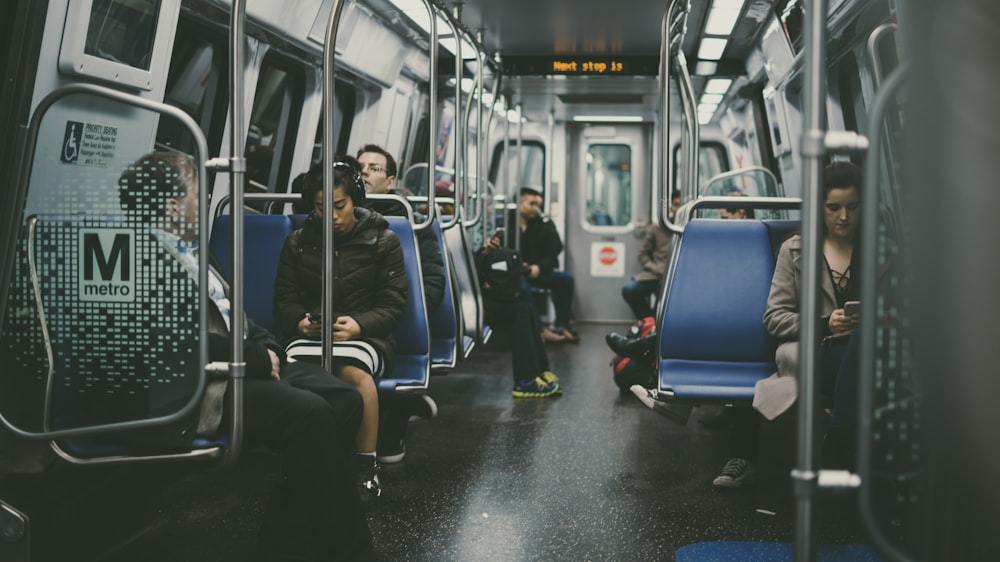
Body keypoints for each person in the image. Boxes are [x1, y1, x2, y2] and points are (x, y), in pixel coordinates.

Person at [117, 151, 374, 561]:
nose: (201, 204)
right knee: (309, 414)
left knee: (345, 399)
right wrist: (254, 358)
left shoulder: (193, 249)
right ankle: (351, 550)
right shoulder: (135, 257)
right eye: (196, 195)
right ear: (170, 206)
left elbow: (233, 313)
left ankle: (284, 531)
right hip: (200, 386)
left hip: (242, 363)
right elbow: (169, 339)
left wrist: (268, 347)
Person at [273, 161, 408, 502]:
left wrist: (359, 325)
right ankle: (303, 464)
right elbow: (285, 300)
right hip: (311, 333)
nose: (331, 216)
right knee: (290, 374)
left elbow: (393, 307)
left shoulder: (384, 241)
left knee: (351, 372)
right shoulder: (297, 243)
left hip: (368, 335)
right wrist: (299, 323)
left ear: (355, 202)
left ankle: (365, 466)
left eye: (340, 206)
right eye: (322, 208)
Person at [754, 160, 866, 468]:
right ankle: (843, 437)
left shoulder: (880, 251)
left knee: (866, 340)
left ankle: (839, 436)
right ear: (819, 207)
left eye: (852, 207)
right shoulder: (794, 251)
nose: (843, 217)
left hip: (868, 355)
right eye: (833, 207)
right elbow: (774, 317)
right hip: (817, 352)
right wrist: (824, 323)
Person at [355, 144, 444, 464]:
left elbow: (431, 283)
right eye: (359, 166)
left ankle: (397, 415)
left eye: (374, 168)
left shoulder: (413, 225)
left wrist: (409, 317)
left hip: (398, 316)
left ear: (390, 182)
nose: (364, 171)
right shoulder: (334, 218)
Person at [477, 229, 562, 398]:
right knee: (519, 312)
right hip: (475, 296)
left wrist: (485, 253)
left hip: (481, 290)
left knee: (526, 307)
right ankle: (525, 381)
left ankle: (539, 370)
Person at [518, 187, 580, 341]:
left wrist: (538, 267)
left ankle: (562, 324)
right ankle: (539, 330)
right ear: (519, 202)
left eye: (538, 205)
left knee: (565, 279)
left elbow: (555, 249)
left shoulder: (543, 223)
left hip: (536, 271)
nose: (536, 208)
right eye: (531, 203)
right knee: (521, 285)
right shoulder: (507, 222)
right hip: (515, 274)